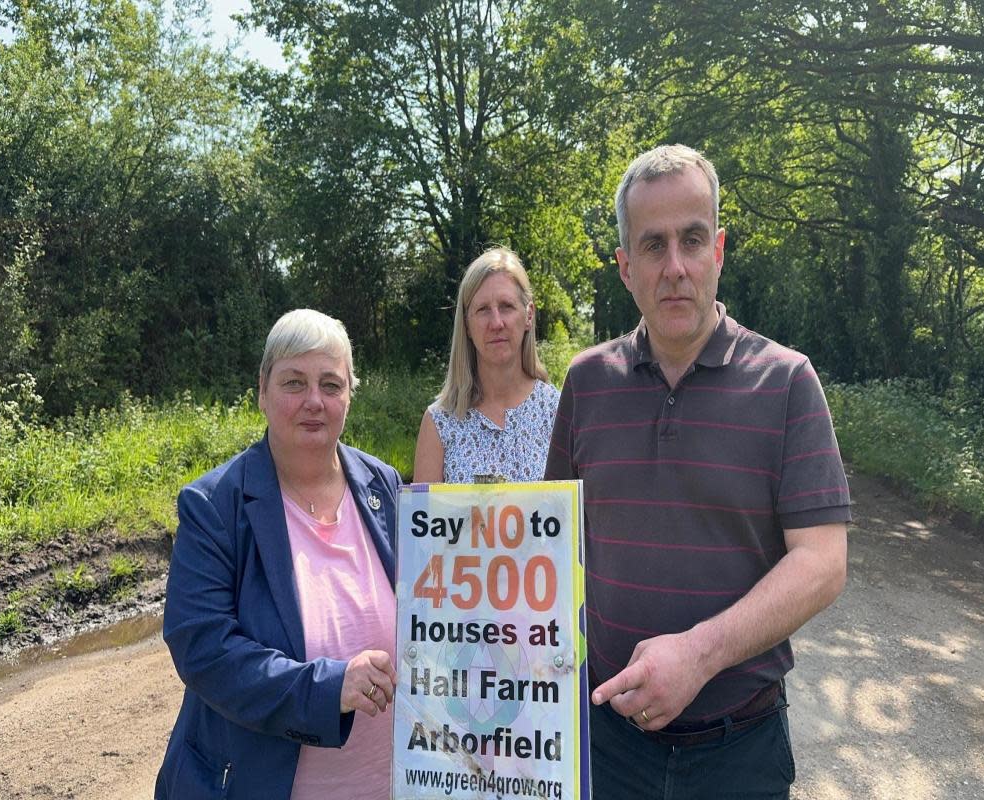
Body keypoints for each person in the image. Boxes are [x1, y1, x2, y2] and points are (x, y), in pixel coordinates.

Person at [544, 145, 850, 799]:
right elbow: (553, 543)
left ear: (718, 249)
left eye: (692, 239)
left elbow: (823, 562)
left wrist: (699, 653)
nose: (675, 266)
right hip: (607, 745)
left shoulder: (788, 382)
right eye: (653, 246)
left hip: (739, 754)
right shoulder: (586, 383)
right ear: (626, 268)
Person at [155, 309, 401, 800]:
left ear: (349, 396)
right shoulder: (214, 506)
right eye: (294, 382)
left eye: (331, 385)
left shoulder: (386, 485)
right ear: (263, 391)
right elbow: (203, 648)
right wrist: (329, 689)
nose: (314, 401)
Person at [414, 246, 560, 483]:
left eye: (506, 306)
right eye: (483, 310)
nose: (496, 322)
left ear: (529, 315)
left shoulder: (558, 413)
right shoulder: (439, 423)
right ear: (467, 325)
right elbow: (423, 518)